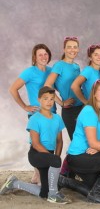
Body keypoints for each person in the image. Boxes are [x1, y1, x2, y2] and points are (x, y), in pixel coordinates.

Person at [0, 86, 69, 204]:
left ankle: (14, 183)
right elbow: (36, 144)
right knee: (56, 162)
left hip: (49, 157)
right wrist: (54, 160)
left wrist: (54, 158)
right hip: (36, 155)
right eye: (45, 98)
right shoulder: (34, 118)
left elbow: (59, 141)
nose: (49, 102)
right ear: (39, 100)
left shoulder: (57, 118)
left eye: (52, 99)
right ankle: (53, 195)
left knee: (43, 193)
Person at [9, 44, 54, 185]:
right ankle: (39, 175)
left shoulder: (51, 71)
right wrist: (25, 106)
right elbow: (13, 89)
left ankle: (38, 176)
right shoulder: (29, 72)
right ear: (34, 57)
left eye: (46, 54)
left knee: (48, 144)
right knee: (37, 144)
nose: (43, 57)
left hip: (52, 113)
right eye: (40, 54)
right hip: (37, 115)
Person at [45, 36, 83, 140]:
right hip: (70, 110)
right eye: (69, 47)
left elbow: (66, 85)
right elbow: (47, 85)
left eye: (75, 47)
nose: (72, 50)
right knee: (77, 142)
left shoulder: (76, 66)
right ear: (64, 49)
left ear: (78, 49)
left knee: (87, 141)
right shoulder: (59, 65)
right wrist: (61, 103)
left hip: (83, 108)